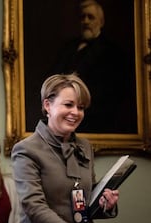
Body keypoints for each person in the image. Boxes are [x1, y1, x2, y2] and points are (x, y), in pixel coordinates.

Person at [5, 73, 120, 223]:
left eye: (80, 107)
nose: (75, 112)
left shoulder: (84, 146)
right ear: (47, 105)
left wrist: (105, 203)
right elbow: (34, 207)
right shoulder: (26, 150)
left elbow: (84, 200)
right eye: (68, 104)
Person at [49, 0, 136, 133]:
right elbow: (53, 80)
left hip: (97, 119)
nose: (86, 21)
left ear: (101, 22)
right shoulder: (68, 48)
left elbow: (113, 92)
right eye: (82, 17)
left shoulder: (112, 52)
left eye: (90, 17)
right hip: (64, 119)